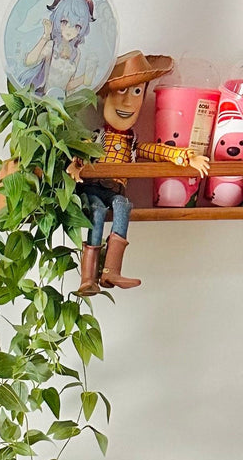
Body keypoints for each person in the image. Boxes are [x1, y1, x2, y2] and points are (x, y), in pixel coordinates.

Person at [71, 52, 211, 294]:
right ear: (104, 96)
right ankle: (87, 278)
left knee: (124, 205)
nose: (128, 103)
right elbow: (78, 153)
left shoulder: (133, 142)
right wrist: (74, 165)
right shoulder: (96, 138)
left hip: (116, 190)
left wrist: (187, 156)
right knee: (97, 212)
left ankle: (111, 271)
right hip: (94, 189)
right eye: (122, 92)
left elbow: (157, 151)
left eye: (137, 92)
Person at [22, 0, 94, 98]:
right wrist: (46, 36)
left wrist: (85, 78)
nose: (70, 29)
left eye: (77, 26)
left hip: (59, 101)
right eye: (64, 22)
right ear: (57, 21)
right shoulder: (52, 45)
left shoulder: (76, 53)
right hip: (40, 98)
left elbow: (68, 86)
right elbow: (29, 61)